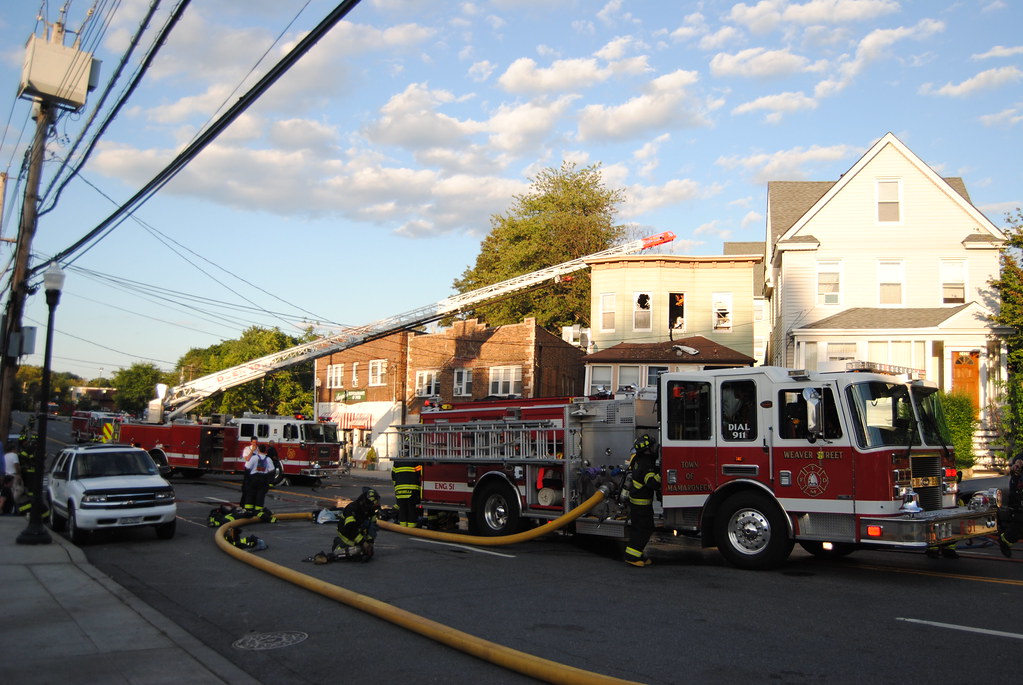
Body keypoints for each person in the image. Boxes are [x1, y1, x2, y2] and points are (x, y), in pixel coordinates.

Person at [624, 433, 661, 567]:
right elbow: (651, 483)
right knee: (644, 529)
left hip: (637, 503)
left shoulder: (639, 459)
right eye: (652, 446)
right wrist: (662, 474)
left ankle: (637, 554)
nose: (654, 448)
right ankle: (632, 557)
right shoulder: (646, 463)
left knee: (639, 529)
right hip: (642, 504)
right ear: (646, 449)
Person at [333, 487, 381, 561]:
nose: (377, 505)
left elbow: (372, 527)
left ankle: (359, 545)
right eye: (375, 504)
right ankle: (339, 547)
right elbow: (350, 529)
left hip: (357, 530)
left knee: (364, 551)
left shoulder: (370, 510)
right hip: (346, 532)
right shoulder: (352, 509)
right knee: (357, 551)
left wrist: (370, 542)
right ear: (368, 503)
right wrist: (363, 542)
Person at [998, 455, 1023, 558]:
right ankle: (1005, 541)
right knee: (1019, 526)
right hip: (1019, 499)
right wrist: (1018, 464)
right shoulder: (1020, 457)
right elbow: (1019, 461)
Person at [241, 441, 273, 516]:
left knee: (250, 494)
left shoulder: (254, 458)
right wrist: (269, 482)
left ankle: (248, 511)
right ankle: (258, 512)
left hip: (253, 478)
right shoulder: (268, 459)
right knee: (260, 496)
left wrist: (247, 480)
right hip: (263, 479)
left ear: (258, 450)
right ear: (265, 451)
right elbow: (272, 471)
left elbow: (247, 468)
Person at [391, 458, 422, 527]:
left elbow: (393, 475)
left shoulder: (397, 461)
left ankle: (403, 527)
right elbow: (420, 473)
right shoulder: (415, 460)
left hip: (399, 490)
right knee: (411, 510)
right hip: (412, 490)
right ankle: (411, 527)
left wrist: (396, 486)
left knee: (402, 510)